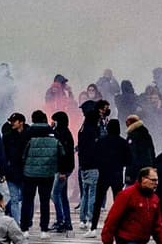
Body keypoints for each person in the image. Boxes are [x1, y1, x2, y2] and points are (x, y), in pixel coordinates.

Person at [20, 111, 61, 239]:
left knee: (27, 200)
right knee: (45, 201)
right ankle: (44, 230)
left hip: (29, 172)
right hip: (48, 173)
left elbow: (22, 153)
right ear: (44, 119)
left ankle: (25, 229)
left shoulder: (27, 133)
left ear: (33, 119)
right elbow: (60, 152)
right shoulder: (53, 133)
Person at [88, 119, 130, 236]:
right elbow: (128, 160)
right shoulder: (123, 142)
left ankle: (93, 227)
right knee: (119, 202)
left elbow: (94, 157)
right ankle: (120, 227)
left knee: (98, 202)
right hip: (117, 174)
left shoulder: (101, 141)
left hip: (103, 174)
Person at [76, 100, 102, 232]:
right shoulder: (93, 130)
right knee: (92, 193)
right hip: (92, 164)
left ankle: (82, 219)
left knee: (85, 192)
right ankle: (91, 219)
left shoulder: (82, 128)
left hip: (83, 164)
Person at [49, 111, 76, 233]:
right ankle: (67, 221)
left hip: (63, 169)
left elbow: (64, 155)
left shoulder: (63, 134)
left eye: (54, 120)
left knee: (55, 194)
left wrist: (63, 172)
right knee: (62, 195)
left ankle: (61, 220)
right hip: (64, 169)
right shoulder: (62, 132)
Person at [0, 113, 28, 220]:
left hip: (25, 172)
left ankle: (25, 222)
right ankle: (17, 223)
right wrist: (3, 172)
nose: (12, 123)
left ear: (21, 122)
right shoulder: (7, 137)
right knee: (15, 199)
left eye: (14, 121)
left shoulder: (28, 135)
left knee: (24, 198)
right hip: (12, 172)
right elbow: (3, 156)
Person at [125, 115, 156, 187]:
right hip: (147, 169)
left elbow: (131, 155)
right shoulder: (146, 135)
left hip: (135, 171)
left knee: (130, 190)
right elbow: (152, 152)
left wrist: (129, 173)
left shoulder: (132, 136)